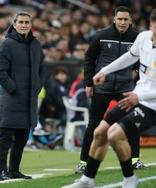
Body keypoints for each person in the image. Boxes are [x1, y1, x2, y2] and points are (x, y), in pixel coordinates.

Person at [63, 8, 156, 188]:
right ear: (151, 25)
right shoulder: (144, 38)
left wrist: (140, 95)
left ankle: (130, 179)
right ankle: (87, 179)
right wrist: (104, 70)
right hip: (137, 97)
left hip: (151, 105)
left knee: (114, 135)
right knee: (99, 132)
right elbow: (129, 56)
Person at [76, 6, 145, 174]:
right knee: (94, 124)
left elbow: (142, 59)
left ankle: (135, 160)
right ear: (114, 19)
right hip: (103, 87)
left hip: (125, 87)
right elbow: (89, 58)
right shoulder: (101, 35)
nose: (122, 22)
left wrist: (135, 74)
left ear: (130, 20)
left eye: (125, 19)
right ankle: (83, 162)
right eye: (119, 19)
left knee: (132, 123)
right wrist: (88, 83)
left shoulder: (137, 38)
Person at [0, 11, 44, 181]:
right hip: (12, 99)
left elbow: (41, 70)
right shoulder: (6, 44)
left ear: (31, 25)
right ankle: (1, 171)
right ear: (14, 24)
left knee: (22, 138)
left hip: (29, 100)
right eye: (20, 22)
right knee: (5, 138)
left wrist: (37, 86)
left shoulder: (36, 44)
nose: (23, 25)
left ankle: (14, 170)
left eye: (26, 22)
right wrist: (13, 88)